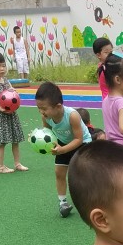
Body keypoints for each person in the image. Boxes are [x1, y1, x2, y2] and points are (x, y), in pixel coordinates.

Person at [35, 81, 90, 217]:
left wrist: (63, 150)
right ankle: (63, 203)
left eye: (44, 108)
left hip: (82, 144)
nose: (41, 112)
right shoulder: (46, 117)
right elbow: (48, 133)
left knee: (81, 175)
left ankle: (89, 200)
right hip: (63, 143)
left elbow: (78, 139)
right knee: (59, 173)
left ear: (58, 106)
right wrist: (39, 138)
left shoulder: (72, 115)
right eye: (39, 108)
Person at [0, 50, 27, 174]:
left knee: (15, 139)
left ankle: (17, 163)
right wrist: (1, 108)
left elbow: (11, 91)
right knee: (1, 142)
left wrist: (14, 93)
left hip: (11, 114)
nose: (2, 69)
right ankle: (0, 167)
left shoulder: (6, 80)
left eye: (3, 65)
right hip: (0, 116)